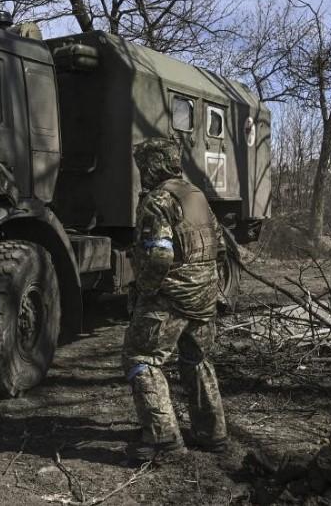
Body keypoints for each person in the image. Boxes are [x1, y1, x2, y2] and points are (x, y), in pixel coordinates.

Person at [123, 137, 228, 462]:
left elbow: (158, 256)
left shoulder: (158, 200)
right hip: (204, 295)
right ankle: (212, 434)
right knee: (197, 359)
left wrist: (146, 289)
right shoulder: (196, 196)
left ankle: (163, 441)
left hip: (170, 295)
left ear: (152, 165)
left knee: (142, 359)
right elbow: (221, 247)